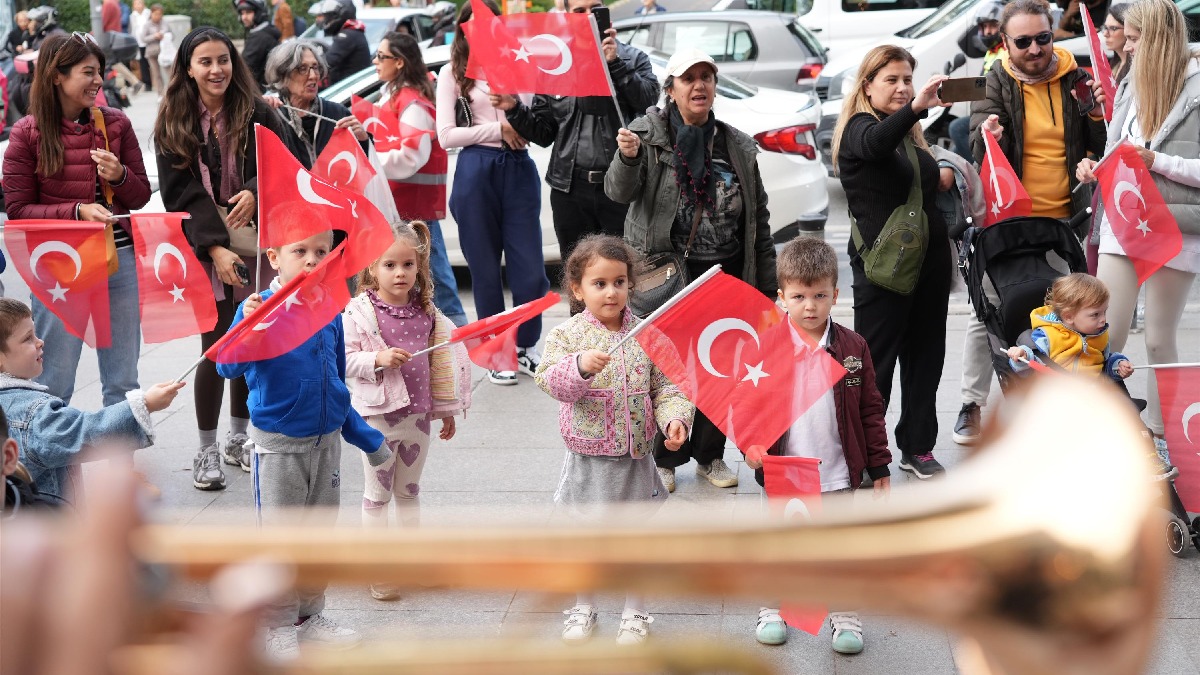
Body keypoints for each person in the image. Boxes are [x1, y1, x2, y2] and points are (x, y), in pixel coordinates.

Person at [605, 48, 777, 492]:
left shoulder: (736, 143)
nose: (699, 86)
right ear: (671, 89)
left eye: (707, 77)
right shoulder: (646, 133)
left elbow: (758, 215)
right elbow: (618, 192)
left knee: (721, 368)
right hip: (668, 277)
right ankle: (664, 458)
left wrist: (768, 283)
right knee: (669, 370)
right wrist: (627, 158)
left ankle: (711, 456)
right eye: (688, 78)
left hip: (726, 273)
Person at [217, 228, 391, 660]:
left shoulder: (329, 307)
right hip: (278, 447)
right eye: (301, 251)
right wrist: (246, 323)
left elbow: (335, 384)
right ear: (274, 258)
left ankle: (310, 617)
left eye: (321, 251)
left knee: (318, 539)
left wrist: (366, 438)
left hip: (326, 443)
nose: (313, 259)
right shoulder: (261, 308)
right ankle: (275, 624)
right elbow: (226, 365)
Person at [154, 27, 304, 492]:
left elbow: (290, 162)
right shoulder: (174, 118)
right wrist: (215, 247)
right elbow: (180, 191)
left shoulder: (256, 109)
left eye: (223, 60)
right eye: (205, 61)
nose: (216, 69)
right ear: (188, 68)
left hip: (259, 240)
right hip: (205, 245)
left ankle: (239, 440)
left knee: (251, 335)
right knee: (216, 344)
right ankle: (205, 449)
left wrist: (257, 193)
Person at [958, 0, 1107, 445]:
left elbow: (1100, 143)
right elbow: (975, 145)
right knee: (986, 311)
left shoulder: (1077, 78)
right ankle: (971, 404)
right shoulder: (994, 81)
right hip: (1010, 220)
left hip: (1065, 220)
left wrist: (1095, 132)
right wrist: (989, 136)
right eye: (1022, 41)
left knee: (1071, 314)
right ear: (1005, 44)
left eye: (1043, 38)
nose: (1035, 49)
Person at [534, 234, 692, 645]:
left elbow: (670, 386)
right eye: (599, 284)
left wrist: (675, 420)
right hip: (588, 460)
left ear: (630, 285)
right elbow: (549, 380)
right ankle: (583, 604)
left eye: (619, 282)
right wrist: (580, 367)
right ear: (577, 289)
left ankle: (635, 609)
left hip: (636, 459)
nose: (611, 292)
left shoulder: (648, 334)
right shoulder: (567, 337)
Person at [741, 237, 891, 652]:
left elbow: (870, 409)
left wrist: (879, 467)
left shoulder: (852, 348)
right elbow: (747, 407)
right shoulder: (768, 348)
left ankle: (843, 613)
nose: (810, 306)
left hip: (839, 470)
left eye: (820, 295)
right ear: (782, 297)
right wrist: (750, 448)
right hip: (783, 471)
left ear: (835, 295)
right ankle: (774, 607)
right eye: (799, 296)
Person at [1076, 0, 1197, 483]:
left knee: (1160, 338)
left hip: (1176, 225)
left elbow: (1162, 160)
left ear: (1159, 36)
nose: (1124, 45)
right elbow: (1114, 150)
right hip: (1122, 220)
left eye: (1133, 36)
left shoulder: (1196, 85)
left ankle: (1165, 440)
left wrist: (1157, 161)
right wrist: (1092, 169)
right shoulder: (1130, 80)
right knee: (1104, 334)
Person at [2, 34, 152, 410]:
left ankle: (120, 466)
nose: (98, 81)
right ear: (57, 76)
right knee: (54, 380)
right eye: (88, 72)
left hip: (120, 263)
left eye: (99, 71)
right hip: (59, 267)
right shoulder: (27, 133)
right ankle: (53, 468)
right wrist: (77, 211)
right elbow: (17, 208)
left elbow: (141, 196)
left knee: (123, 382)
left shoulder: (116, 124)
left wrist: (119, 176)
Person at [832, 44, 952, 479]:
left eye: (908, 80)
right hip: (882, 268)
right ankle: (866, 452)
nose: (903, 88)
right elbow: (876, 145)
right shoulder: (860, 128)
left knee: (926, 359)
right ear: (868, 85)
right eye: (892, 80)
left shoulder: (909, 133)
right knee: (874, 365)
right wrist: (916, 110)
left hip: (929, 265)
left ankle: (917, 446)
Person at [343, 221, 469, 600]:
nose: (400, 273)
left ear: (419, 268)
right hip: (379, 420)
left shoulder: (427, 312)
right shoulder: (359, 313)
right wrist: (377, 359)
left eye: (407, 265)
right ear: (371, 269)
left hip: (418, 418)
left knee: (410, 492)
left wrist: (446, 408)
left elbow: (440, 365)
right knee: (377, 496)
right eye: (389, 265)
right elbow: (345, 360)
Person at [490, 0, 659, 266]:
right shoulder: (556, 64)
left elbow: (648, 102)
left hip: (621, 185)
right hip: (570, 188)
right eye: (579, 11)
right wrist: (513, 109)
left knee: (626, 276)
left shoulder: (632, 58)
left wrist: (614, 64)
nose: (588, 16)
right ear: (566, 16)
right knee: (579, 277)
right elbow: (544, 133)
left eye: (595, 9)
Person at [436, 0, 550, 386]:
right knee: (484, 268)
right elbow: (446, 135)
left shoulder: (521, 64)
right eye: (472, 26)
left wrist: (515, 116)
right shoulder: (452, 74)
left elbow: (535, 123)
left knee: (530, 269)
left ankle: (527, 346)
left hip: (519, 167)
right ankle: (498, 349)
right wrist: (496, 130)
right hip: (475, 169)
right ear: (463, 30)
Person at [0, 298, 185, 504]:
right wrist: (145, 404)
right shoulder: (34, 415)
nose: (39, 341)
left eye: (35, 333)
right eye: (27, 338)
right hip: (50, 527)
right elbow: (85, 431)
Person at [372, 31, 468, 327]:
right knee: (425, 275)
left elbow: (411, 155)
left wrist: (373, 162)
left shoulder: (411, 102)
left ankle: (456, 337)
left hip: (412, 207)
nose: (375, 62)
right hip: (404, 204)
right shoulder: (396, 96)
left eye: (381, 56)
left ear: (399, 63)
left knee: (432, 276)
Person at [263, 39, 368, 166]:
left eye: (315, 67)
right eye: (303, 68)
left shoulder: (337, 113)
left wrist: (363, 139)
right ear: (283, 75)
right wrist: (256, 110)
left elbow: (365, 168)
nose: (313, 76)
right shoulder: (271, 116)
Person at [950, 0, 1007, 160]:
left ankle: (981, 170)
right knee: (955, 152)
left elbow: (994, 86)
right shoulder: (991, 52)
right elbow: (983, 83)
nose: (988, 32)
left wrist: (955, 90)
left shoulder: (1007, 51)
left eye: (992, 26)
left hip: (999, 112)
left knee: (957, 128)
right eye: (984, 27)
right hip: (987, 108)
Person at [309, 0, 370, 86]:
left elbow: (327, 61)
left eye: (326, 16)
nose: (320, 19)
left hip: (350, 87)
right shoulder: (353, 32)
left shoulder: (347, 36)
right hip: (350, 84)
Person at [236, 0, 281, 89]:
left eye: (248, 13)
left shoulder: (259, 38)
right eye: (242, 13)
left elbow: (243, 68)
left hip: (260, 92)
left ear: (259, 13)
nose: (244, 17)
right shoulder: (267, 31)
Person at [141, 4, 169, 95]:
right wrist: (154, 36)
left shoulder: (164, 22)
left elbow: (171, 34)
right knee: (157, 74)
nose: (157, 16)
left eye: (159, 14)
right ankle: (160, 93)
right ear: (152, 13)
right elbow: (143, 38)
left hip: (164, 52)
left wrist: (164, 35)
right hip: (152, 53)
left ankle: (170, 91)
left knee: (168, 72)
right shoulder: (147, 24)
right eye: (156, 13)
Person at [1105, 3, 1133, 85]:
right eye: (1105, 28)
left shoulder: (1135, 69)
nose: (1105, 34)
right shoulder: (1115, 63)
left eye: (1113, 28)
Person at [130, 0, 152, 89]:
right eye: (136, 4)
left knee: (151, 62)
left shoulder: (148, 13)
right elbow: (132, 30)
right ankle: (147, 83)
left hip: (149, 42)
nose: (138, 5)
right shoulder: (132, 16)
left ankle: (155, 82)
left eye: (140, 3)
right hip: (139, 42)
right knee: (143, 63)